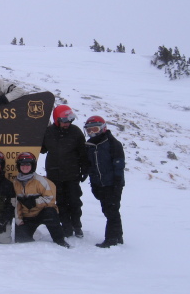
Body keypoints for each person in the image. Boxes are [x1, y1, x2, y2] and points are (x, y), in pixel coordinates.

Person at [40, 105, 89, 238]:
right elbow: (42, 149)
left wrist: (85, 169)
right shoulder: (48, 132)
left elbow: (83, 152)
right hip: (54, 174)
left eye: (69, 121)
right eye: (64, 121)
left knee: (74, 201)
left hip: (72, 174)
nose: (67, 124)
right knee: (60, 202)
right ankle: (66, 226)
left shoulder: (76, 132)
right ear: (57, 119)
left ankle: (77, 225)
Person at [12, 152, 70, 248]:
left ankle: (59, 239)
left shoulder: (41, 181)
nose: (25, 167)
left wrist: (35, 201)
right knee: (21, 241)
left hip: (41, 213)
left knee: (51, 212)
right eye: (22, 164)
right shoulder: (15, 183)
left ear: (33, 166)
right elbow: (16, 203)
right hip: (27, 216)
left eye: (28, 164)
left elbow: (50, 199)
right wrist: (19, 220)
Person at [84, 116, 125, 248]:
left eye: (95, 129)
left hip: (112, 183)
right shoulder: (89, 145)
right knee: (108, 210)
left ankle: (111, 239)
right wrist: (93, 183)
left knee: (112, 211)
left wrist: (117, 184)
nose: (92, 133)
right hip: (99, 184)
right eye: (89, 130)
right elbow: (90, 166)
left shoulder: (113, 144)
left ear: (103, 128)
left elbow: (119, 165)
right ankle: (118, 236)